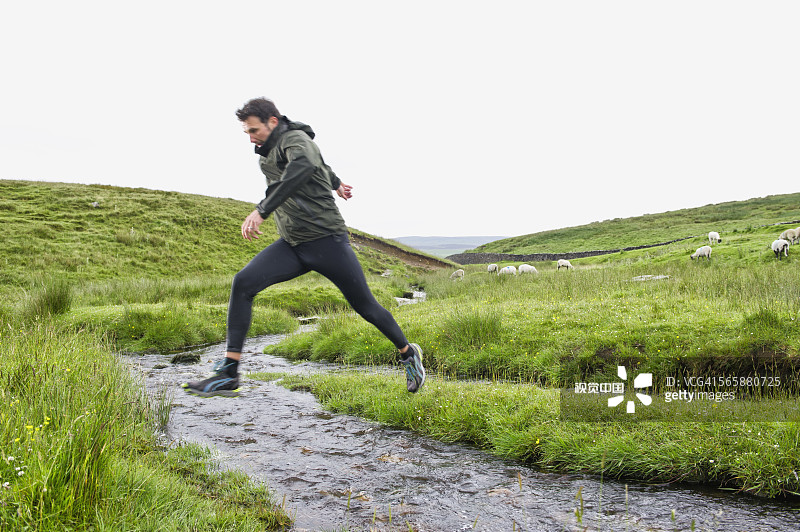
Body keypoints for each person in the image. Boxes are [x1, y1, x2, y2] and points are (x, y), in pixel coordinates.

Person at [183, 97, 425, 397]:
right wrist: (336, 182)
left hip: (326, 241)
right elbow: (317, 163)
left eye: (254, 130)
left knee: (365, 305)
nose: (251, 137)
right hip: (293, 244)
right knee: (243, 283)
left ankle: (408, 353)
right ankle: (229, 373)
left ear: (273, 121)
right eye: (246, 132)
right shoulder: (269, 152)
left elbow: (306, 163)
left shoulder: (295, 139)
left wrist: (262, 210)